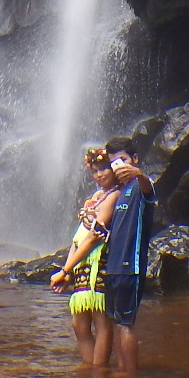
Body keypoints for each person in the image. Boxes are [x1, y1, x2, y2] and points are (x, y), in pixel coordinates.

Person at [48, 147, 120, 366]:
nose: (99, 175)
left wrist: (65, 270)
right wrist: (68, 269)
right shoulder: (97, 197)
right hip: (82, 262)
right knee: (79, 324)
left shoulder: (115, 195)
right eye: (95, 171)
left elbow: (93, 237)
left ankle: (99, 375)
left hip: (100, 262)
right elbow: (78, 238)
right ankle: (90, 369)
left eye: (104, 169)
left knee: (101, 321)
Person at [97, 138, 156, 374]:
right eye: (114, 163)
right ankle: (122, 373)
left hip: (130, 265)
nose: (118, 166)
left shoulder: (142, 186)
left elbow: (147, 185)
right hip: (112, 266)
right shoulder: (118, 192)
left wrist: (137, 173)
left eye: (122, 160)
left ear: (135, 159)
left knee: (126, 325)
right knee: (116, 323)